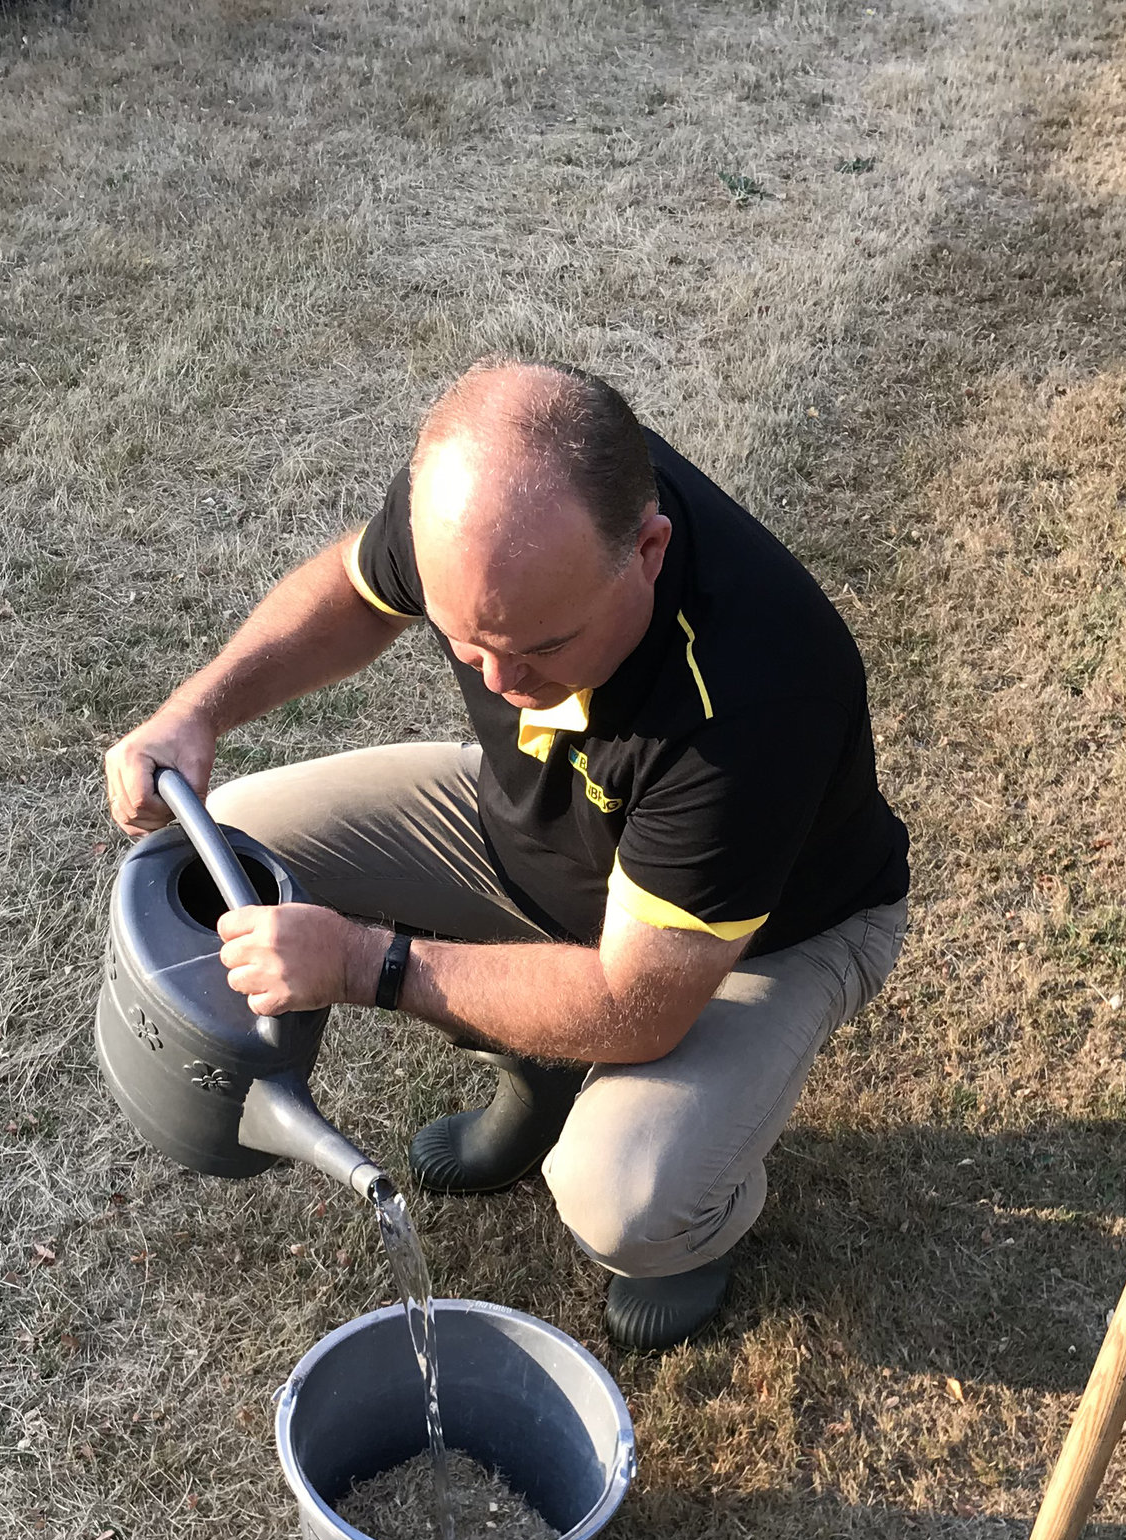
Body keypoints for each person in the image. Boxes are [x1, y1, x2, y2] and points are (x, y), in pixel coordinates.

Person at [103, 361, 909, 1349]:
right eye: (465, 640)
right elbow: (358, 597)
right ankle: (539, 1071)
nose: (496, 677)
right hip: (541, 836)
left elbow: (639, 1005)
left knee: (623, 1200)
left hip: (757, 944)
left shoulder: (752, 701)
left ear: (649, 552)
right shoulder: (483, 504)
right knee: (230, 845)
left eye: (538, 647)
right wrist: (196, 711)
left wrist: (365, 963)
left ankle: (697, 1231)